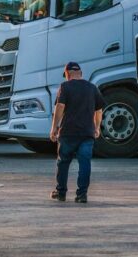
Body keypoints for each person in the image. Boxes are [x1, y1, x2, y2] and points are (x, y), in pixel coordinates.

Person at [49, 61, 105, 203]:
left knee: (63, 162)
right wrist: (97, 127)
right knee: (84, 163)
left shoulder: (65, 86)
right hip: (87, 133)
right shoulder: (92, 88)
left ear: (67, 74)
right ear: (81, 73)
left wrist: (54, 128)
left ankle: (60, 192)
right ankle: (82, 195)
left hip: (68, 133)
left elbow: (60, 106)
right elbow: (99, 110)